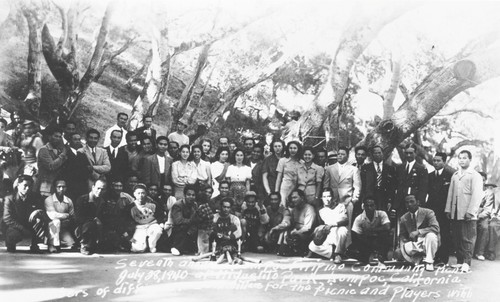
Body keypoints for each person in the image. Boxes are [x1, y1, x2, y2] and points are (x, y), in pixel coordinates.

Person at [445, 150, 483, 273]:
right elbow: (450, 194)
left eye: (465, 158)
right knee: (457, 237)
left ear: (470, 160)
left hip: (467, 213)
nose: (462, 160)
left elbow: (477, 195)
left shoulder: (475, 175)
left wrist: (471, 211)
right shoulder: (455, 175)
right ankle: (460, 261)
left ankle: (467, 262)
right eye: (460, 158)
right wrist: (448, 209)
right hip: (456, 212)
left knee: (467, 238)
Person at [2, 175, 47, 253]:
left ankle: (35, 245)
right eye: (25, 185)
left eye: (30, 186)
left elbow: (42, 210)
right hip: (14, 226)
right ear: (18, 185)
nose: (27, 188)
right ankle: (10, 244)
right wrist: (22, 229)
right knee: (13, 235)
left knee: (40, 221)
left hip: (28, 224)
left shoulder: (35, 196)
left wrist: (38, 212)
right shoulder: (9, 199)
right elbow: (7, 218)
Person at [425, 152, 455, 265]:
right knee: (433, 232)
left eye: (438, 161)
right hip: (432, 209)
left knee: (445, 233)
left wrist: (450, 209)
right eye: (434, 160)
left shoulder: (450, 175)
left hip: (444, 210)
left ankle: (443, 259)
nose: (436, 163)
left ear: (444, 162)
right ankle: (433, 256)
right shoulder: (430, 175)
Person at [397, 195, 440, 272]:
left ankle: (429, 262)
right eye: (407, 202)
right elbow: (402, 235)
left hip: (427, 241)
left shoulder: (428, 212)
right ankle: (418, 259)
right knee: (399, 252)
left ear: (418, 202)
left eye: (412, 201)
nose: (409, 204)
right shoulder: (404, 218)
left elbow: (435, 228)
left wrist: (418, 232)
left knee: (431, 236)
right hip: (415, 244)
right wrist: (402, 247)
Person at [323, 146, 360, 229]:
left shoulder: (354, 169)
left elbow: (357, 187)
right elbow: (326, 186)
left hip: (347, 202)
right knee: (332, 225)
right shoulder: (329, 169)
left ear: (347, 156)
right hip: (332, 202)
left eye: (342, 154)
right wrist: (327, 200)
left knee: (347, 226)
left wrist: (353, 200)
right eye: (338, 154)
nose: (339, 156)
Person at [308, 188, 348, 263]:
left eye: (328, 196)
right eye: (324, 197)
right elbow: (321, 225)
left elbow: (345, 221)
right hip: (328, 234)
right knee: (312, 246)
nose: (327, 199)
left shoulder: (340, 207)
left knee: (343, 230)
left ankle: (338, 254)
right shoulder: (321, 211)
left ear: (332, 197)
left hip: (338, 234)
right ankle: (333, 252)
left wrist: (332, 225)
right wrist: (320, 227)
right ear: (322, 198)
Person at [349, 198, 391, 268]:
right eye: (367, 206)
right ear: (363, 207)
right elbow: (356, 235)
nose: (369, 208)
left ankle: (381, 260)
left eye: (371, 205)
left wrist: (372, 230)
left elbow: (387, 227)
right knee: (350, 251)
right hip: (366, 240)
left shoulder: (382, 214)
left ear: (375, 206)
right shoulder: (359, 218)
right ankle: (365, 259)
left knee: (385, 235)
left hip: (378, 239)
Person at [277, 189, 316, 256]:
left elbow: (308, 228)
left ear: (302, 198)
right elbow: (291, 223)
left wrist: (296, 232)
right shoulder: (295, 209)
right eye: (292, 198)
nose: (293, 200)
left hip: (306, 234)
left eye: (295, 197)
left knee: (295, 237)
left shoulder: (309, 209)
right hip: (295, 232)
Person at [360, 145, 397, 213]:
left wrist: (390, 201)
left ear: (383, 154)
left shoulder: (390, 168)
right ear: (372, 155)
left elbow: (392, 187)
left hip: (384, 198)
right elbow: (363, 186)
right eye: (375, 153)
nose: (377, 155)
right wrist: (363, 200)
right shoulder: (366, 168)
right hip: (370, 198)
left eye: (379, 153)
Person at [74, 179, 107, 255]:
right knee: (89, 225)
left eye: (103, 189)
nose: (100, 191)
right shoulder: (82, 199)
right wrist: (94, 220)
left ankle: (97, 244)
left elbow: (105, 217)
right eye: (98, 188)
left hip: (98, 228)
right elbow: (78, 218)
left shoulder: (103, 202)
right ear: (93, 187)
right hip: (82, 228)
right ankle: (84, 246)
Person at [395, 144, 428, 214]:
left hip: (415, 202)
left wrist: (419, 202)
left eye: (411, 153)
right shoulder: (400, 168)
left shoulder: (421, 169)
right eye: (406, 153)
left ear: (415, 154)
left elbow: (423, 188)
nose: (408, 155)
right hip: (401, 201)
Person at [45, 179, 76, 253]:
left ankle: (59, 241)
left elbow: (72, 216)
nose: (61, 189)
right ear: (55, 188)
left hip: (63, 227)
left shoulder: (68, 201)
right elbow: (52, 215)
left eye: (63, 187)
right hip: (51, 226)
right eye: (59, 187)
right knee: (56, 221)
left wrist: (68, 218)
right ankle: (53, 244)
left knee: (71, 243)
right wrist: (66, 215)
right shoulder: (49, 200)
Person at [129, 183, 162, 253]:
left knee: (158, 230)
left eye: (143, 193)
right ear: (134, 194)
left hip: (152, 224)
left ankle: (152, 245)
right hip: (139, 227)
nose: (141, 195)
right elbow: (126, 220)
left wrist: (161, 224)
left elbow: (160, 216)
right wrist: (131, 239)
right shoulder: (130, 207)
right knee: (137, 249)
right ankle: (142, 244)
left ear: (146, 193)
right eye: (138, 193)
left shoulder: (153, 204)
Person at [36, 127, 68, 196]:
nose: (58, 139)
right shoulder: (44, 150)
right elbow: (51, 166)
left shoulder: (59, 150)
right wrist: (63, 155)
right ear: (50, 137)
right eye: (56, 136)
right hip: (45, 187)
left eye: (60, 137)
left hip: (55, 186)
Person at [61, 132, 91, 201]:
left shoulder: (82, 153)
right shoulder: (66, 152)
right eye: (75, 139)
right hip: (70, 185)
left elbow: (88, 167)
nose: (77, 141)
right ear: (70, 141)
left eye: (79, 139)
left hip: (82, 185)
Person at [170, 185, 198, 255]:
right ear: (184, 195)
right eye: (189, 195)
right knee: (183, 227)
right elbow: (178, 221)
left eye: (193, 195)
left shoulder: (194, 204)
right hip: (177, 230)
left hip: (190, 228)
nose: (191, 197)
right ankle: (176, 247)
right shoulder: (178, 205)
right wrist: (192, 221)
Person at [474, 174, 495, 261]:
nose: (480, 182)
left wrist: (478, 216)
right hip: (471, 213)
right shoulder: (472, 190)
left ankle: (479, 252)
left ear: (485, 181)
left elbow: (487, 209)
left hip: (482, 215)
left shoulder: (489, 193)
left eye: (483, 180)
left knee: (484, 227)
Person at [275, 141, 303, 207]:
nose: (292, 150)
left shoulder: (302, 162)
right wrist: (276, 192)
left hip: (296, 188)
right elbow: (279, 177)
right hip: (285, 187)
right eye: (290, 148)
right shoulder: (283, 161)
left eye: (294, 148)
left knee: (294, 207)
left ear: (298, 149)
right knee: (283, 206)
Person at [225, 149, 252, 215]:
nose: (239, 157)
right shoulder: (230, 167)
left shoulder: (247, 168)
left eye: (241, 155)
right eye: (237, 155)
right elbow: (228, 181)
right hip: (232, 190)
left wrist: (248, 193)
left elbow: (248, 183)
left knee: (242, 208)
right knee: (232, 207)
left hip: (243, 190)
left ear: (243, 157)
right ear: (234, 156)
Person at [195, 187, 214, 254]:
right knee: (205, 241)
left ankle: (203, 253)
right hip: (209, 227)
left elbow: (200, 218)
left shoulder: (201, 207)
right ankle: (202, 251)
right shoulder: (207, 205)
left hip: (203, 227)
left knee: (202, 240)